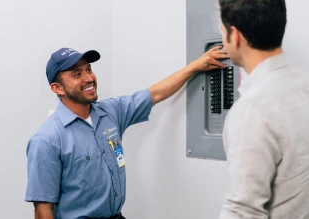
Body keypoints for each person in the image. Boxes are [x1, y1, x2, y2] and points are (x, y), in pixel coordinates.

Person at [25, 46, 228, 219]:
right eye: (77, 74)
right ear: (57, 88)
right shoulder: (47, 140)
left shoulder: (111, 112)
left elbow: (155, 93)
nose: (89, 78)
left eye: (89, 69)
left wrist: (196, 65)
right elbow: (43, 210)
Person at [218, 0, 309, 218]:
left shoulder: (253, 109)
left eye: (222, 31)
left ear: (235, 35)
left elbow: (242, 211)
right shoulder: (303, 85)